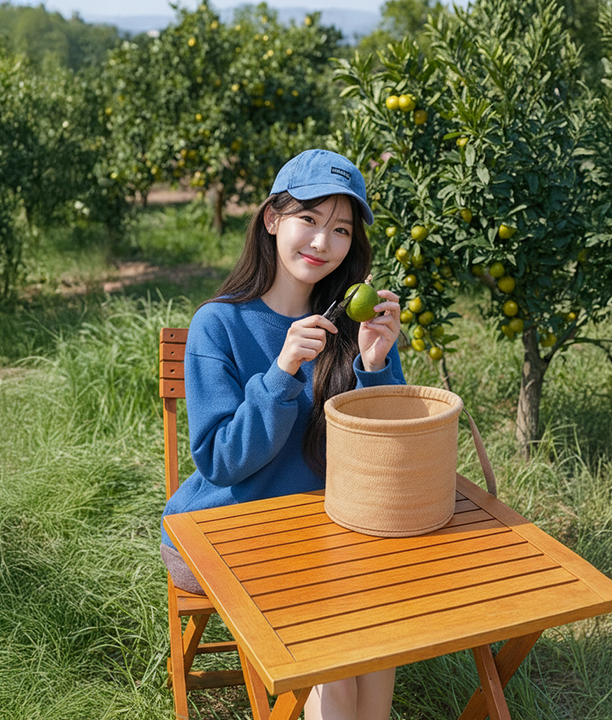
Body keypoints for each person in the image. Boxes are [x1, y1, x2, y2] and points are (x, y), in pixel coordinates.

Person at [160, 148, 404, 720]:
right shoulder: (218, 323)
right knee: (340, 673)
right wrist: (280, 374)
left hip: (319, 526)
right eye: (309, 220)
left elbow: (382, 462)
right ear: (273, 219)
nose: (322, 242)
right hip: (223, 526)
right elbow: (221, 461)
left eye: (340, 229)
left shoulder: (350, 324)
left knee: (379, 646)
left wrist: (374, 364)